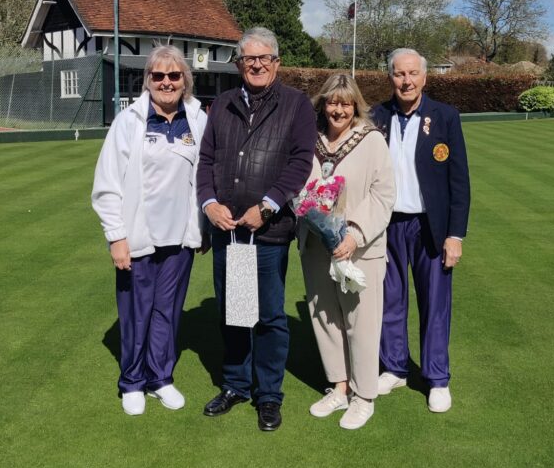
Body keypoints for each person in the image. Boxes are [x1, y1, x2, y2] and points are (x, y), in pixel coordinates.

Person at [197, 27, 316, 431]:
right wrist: (209, 204)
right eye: (249, 59)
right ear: (239, 64)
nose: (258, 64)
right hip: (228, 229)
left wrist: (266, 206)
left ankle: (268, 395)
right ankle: (236, 385)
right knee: (235, 312)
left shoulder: (297, 105)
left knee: (268, 316)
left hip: (267, 230)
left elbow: (301, 162)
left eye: (265, 58)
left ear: (277, 62)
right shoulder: (224, 104)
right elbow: (205, 160)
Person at [92, 45, 207, 416]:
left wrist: (201, 228)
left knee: (167, 311)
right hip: (138, 237)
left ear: (185, 80)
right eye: (158, 75)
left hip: (179, 240)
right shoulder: (129, 122)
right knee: (136, 312)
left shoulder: (198, 120)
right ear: (148, 81)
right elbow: (107, 184)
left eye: (174, 76)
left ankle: (160, 377)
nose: (166, 82)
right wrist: (117, 237)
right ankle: (132, 381)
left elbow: (204, 178)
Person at [370, 48, 470, 413]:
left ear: (425, 77)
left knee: (434, 305)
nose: (406, 81)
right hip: (387, 225)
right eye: (399, 74)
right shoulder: (376, 116)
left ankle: (437, 378)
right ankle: (394, 367)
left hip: (430, 226)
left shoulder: (445, 117)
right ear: (390, 77)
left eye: (412, 73)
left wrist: (455, 235)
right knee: (390, 301)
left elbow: (459, 182)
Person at [299, 74, 395, 430]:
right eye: (332, 102)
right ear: (323, 104)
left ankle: (364, 395)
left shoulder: (371, 141)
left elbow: (383, 195)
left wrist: (353, 235)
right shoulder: (311, 139)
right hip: (316, 247)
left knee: (361, 323)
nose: (338, 109)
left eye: (345, 103)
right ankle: (338, 387)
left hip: (359, 249)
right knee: (325, 319)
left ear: (355, 105)